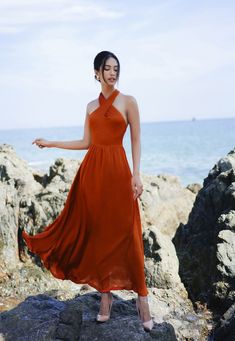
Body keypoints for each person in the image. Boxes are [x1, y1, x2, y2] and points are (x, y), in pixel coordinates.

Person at [22, 51, 154, 332]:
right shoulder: (91, 106)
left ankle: (142, 299)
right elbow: (86, 142)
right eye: (107, 68)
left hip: (119, 173)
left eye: (116, 68)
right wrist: (52, 143)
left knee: (128, 234)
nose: (113, 73)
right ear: (96, 72)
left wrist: (136, 174)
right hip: (92, 175)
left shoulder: (129, 101)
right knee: (99, 235)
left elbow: (137, 139)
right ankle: (105, 298)